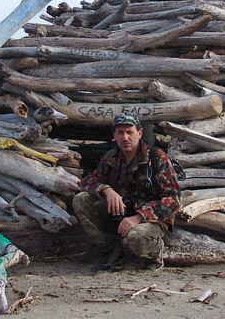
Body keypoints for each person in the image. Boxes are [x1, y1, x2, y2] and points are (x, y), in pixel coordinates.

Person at [72, 112, 181, 271]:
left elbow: (173, 200)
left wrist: (139, 216)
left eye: (129, 132)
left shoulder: (157, 158)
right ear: (114, 135)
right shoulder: (111, 157)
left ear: (139, 133)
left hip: (150, 218)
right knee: (81, 200)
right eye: (120, 133)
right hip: (122, 213)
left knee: (136, 238)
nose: (125, 138)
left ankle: (154, 252)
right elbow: (88, 181)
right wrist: (107, 191)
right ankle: (111, 250)